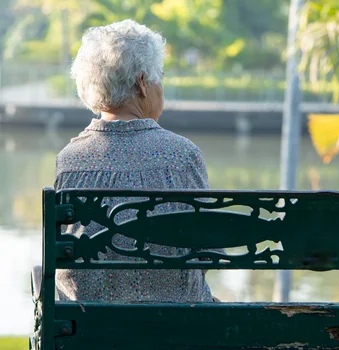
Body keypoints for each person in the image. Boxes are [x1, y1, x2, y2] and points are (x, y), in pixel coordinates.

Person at [55, 19, 217, 302]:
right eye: (160, 78)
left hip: (90, 332)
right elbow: (207, 253)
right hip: (176, 329)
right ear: (142, 83)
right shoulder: (184, 156)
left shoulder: (70, 160)